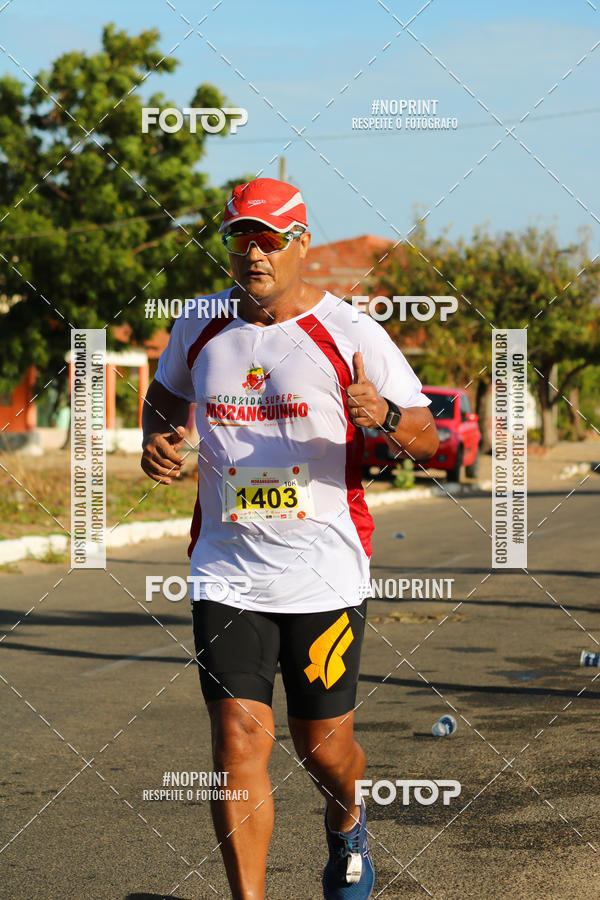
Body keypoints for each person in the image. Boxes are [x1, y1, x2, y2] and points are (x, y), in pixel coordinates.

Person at [141, 177, 438, 899]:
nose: (253, 253)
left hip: (325, 576)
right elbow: (161, 401)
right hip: (227, 570)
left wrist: (386, 414)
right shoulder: (199, 323)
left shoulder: (353, 333)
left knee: (324, 750)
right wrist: (156, 442)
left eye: (269, 238)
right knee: (238, 742)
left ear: (301, 243)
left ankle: (347, 823)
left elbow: (427, 441)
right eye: (239, 237)